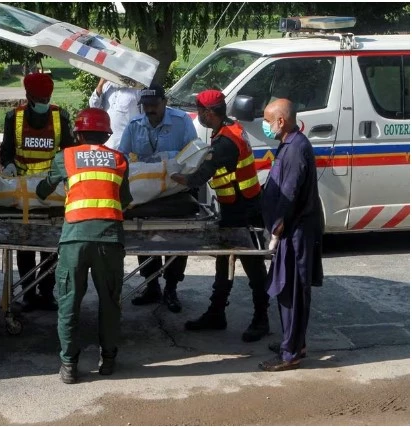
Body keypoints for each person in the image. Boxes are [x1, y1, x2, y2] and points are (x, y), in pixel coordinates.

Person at [36, 108, 132, 384]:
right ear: (106, 134)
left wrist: (45, 190)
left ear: (77, 133)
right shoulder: (119, 159)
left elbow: (43, 190)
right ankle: (109, 360)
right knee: (110, 301)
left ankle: (69, 365)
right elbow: (124, 200)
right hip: (110, 239)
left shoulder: (65, 157)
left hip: (74, 239)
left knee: (69, 301)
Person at [170, 89, 270, 342]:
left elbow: (202, 174)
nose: (199, 116)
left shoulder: (226, 141)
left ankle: (261, 319)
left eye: (200, 111)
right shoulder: (230, 129)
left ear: (208, 112)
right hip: (235, 206)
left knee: (253, 267)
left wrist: (178, 178)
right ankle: (216, 313)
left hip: (243, 211)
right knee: (223, 262)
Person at [117, 83, 197, 313]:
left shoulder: (182, 122)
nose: (150, 109)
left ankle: (171, 288)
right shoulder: (135, 125)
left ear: (164, 102)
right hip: (146, 193)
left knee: (177, 240)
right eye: (146, 105)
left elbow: (193, 154)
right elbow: (122, 157)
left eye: (154, 105)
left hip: (175, 193)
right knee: (145, 237)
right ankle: (151, 286)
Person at [0, 72, 75, 312]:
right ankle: (28, 293)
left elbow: (69, 151)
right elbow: (6, 150)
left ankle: (47, 292)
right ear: (28, 95)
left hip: (51, 191)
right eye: (39, 97)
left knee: (51, 247)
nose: (44, 101)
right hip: (24, 191)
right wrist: (9, 164)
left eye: (47, 97)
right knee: (25, 246)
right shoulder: (14, 117)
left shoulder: (60, 116)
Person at [258, 98, 323, 371]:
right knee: (289, 290)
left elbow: (290, 192)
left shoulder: (296, 149)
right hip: (291, 229)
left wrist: (278, 225)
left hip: (295, 232)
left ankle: (291, 353)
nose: (265, 125)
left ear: (281, 121)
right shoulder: (288, 145)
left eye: (267, 119)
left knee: (291, 292)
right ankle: (295, 342)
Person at [89, 77, 142, 150]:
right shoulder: (107, 85)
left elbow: (144, 116)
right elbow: (94, 107)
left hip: (127, 144)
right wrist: (101, 84)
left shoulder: (137, 88)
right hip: (107, 142)